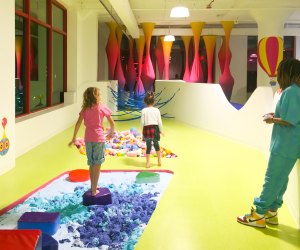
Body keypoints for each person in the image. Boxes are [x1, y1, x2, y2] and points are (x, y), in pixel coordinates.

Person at [237, 58, 300, 228]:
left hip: (285, 144)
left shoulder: (291, 91)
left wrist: (272, 119)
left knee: (272, 179)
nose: (278, 74)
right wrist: (275, 115)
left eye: (280, 71)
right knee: (281, 179)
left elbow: (290, 120)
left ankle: (258, 214)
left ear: (287, 72)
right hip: (289, 145)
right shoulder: (294, 91)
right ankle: (272, 211)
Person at [69, 87, 115, 196]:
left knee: (92, 163)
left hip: (88, 139)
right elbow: (112, 124)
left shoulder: (85, 109)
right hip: (99, 139)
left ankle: (93, 186)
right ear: (96, 97)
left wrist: (74, 138)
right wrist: (110, 134)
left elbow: (78, 124)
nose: (101, 96)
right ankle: (94, 190)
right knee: (97, 164)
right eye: (100, 94)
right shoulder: (102, 108)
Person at [141, 91, 164, 168]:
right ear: (153, 101)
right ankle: (159, 160)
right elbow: (159, 122)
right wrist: (161, 130)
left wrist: (142, 132)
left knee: (148, 146)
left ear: (145, 102)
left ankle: (148, 163)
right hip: (155, 128)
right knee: (156, 144)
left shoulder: (144, 110)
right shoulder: (157, 110)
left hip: (147, 129)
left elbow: (142, 123)